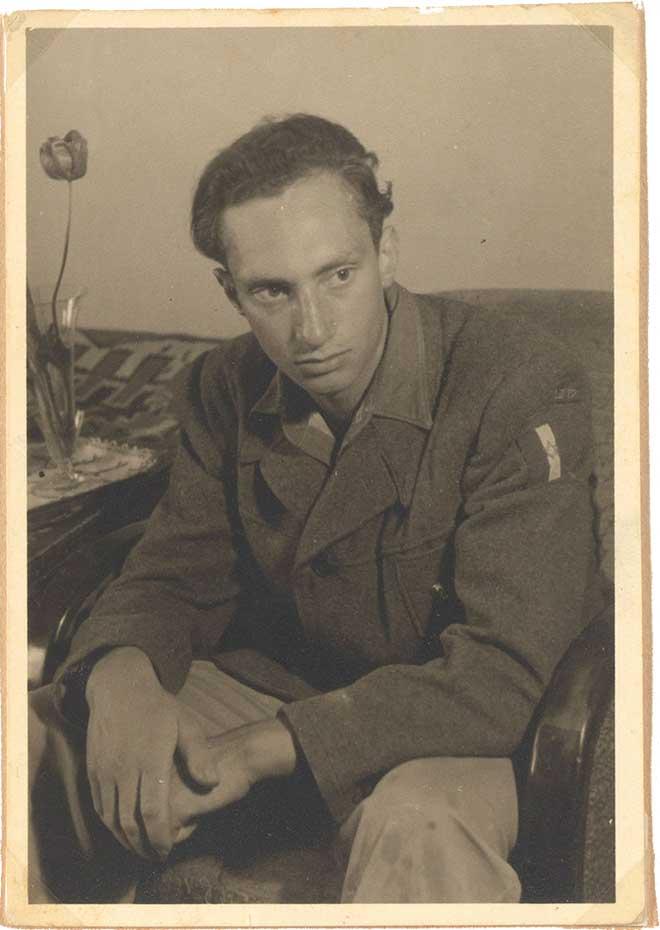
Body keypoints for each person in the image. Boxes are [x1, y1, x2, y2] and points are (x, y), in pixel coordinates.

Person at [29, 113, 606, 904]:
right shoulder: (219, 387)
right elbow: (174, 573)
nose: (313, 330)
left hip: (462, 730)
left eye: (339, 275)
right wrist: (118, 677)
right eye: (273, 290)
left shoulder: (515, 383)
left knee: (418, 824)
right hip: (277, 688)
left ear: (386, 253)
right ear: (229, 291)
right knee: (28, 735)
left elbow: (504, 674)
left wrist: (258, 751)